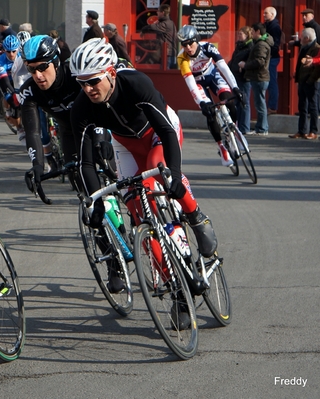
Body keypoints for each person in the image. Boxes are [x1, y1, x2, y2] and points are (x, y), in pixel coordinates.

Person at [69, 38, 218, 293]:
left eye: (93, 81)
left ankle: (195, 216)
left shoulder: (135, 83)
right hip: (125, 144)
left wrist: (175, 176)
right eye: (82, 83)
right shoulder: (81, 107)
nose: (88, 89)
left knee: (156, 171)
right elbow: (86, 163)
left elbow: (166, 131)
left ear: (111, 73)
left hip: (159, 132)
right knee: (138, 213)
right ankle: (176, 291)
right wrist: (96, 202)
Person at [18, 35, 83, 186]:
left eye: (42, 67)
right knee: (77, 182)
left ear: (56, 62)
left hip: (93, 125)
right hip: (68, 131)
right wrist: (37, 166)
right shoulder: (29, 90)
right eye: (31, 69)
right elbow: (32, 132)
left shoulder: (74, 75)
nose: (38, 75)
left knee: (111, 171)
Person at [176, 25, 242, 167]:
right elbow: (190, 83)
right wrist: (201, 103)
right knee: (210, 113)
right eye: (184, 44)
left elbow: (223, 67)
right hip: (198, 82)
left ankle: (234, 131)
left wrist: (235, 87)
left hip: (212, 76)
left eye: (190, 43)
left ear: (197, 40)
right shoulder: (182, 58)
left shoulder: (207, 48)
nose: (187, 47)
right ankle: (222, 147)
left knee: (229, 100)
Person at [238, 23, 272, 135]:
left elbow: (260, 61)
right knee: (259, 103)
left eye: (253, 31)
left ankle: (262, 129)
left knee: (260, 104)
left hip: (260, 77)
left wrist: (245, 65)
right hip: (259, 77)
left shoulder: (261, 45)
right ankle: (260, 128)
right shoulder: (260, 43)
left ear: (258, 32)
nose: (251, 34)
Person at [289, 28, 320, 140]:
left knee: (313, 106)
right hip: (302, 80)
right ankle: (302, 130)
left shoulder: (316, 48)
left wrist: (310, 80)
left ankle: (313, 131)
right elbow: (299, 65)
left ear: (307, 38)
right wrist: (298, 79)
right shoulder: (304, 47)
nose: (300, 39)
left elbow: (317, 68)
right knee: (302, 107)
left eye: (302, 37)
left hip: (311, 81)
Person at [228, 26, 253, 135]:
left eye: (241, 34)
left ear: (247, 35)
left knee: (244, 102)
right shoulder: (239, 46)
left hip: (244, 77)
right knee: (237, 101)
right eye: (238, 34)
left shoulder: (250, 47)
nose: (239, 36)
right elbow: (234, 59)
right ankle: (237, 125)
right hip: (235, 77)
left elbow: (250, 61)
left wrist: (243, 66)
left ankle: (245, 127)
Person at [0, 35, 21, 131]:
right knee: (13, 101)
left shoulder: (21, 57)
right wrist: (13, 94)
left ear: (18, 49)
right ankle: (18, 128)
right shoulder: (1, 61)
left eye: (14, 51)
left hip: (18, 79)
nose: (11, 54)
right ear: (4, 50)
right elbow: (5, 81)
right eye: (8, 51)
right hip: (6, 80)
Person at [140, 4, 177, 69]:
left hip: (168, 54)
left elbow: (153, 27)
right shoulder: (169, 22)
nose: (157, 12)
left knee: (166, 74)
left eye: (158, 11)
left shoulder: (165, 24)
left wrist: (143, 29)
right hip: (169, 53)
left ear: (162, 13)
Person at [263, 7, 282, 114]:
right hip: (267, 57)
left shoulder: (275, 27)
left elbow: (275, 44)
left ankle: (272, 107)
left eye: (266, 13)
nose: (264, 15)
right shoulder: (266, 25)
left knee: (271, 82)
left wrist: (268, 52)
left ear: (272, 14)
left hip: (272, 58)